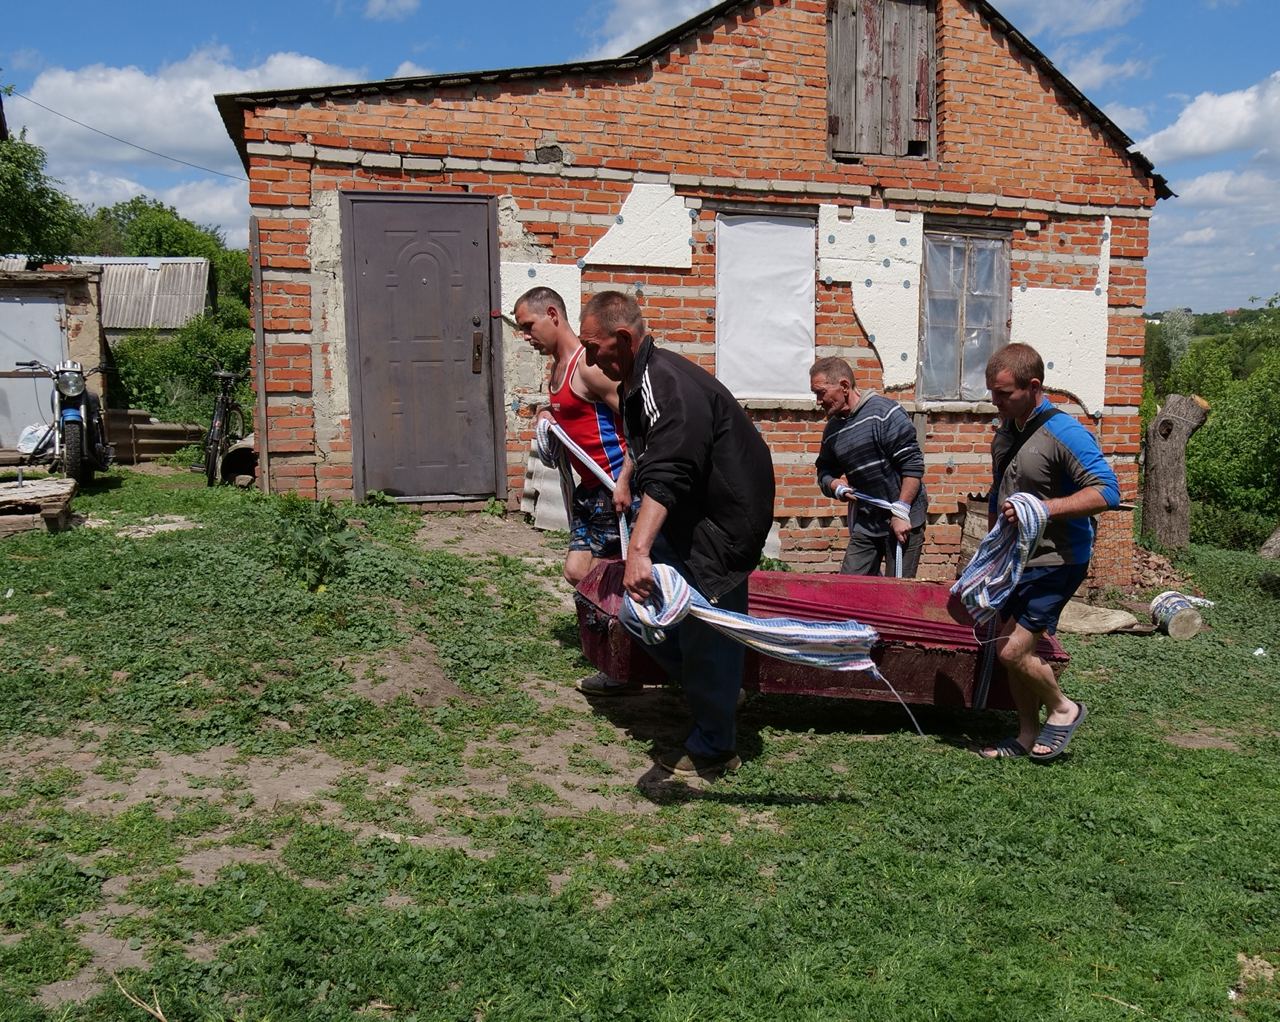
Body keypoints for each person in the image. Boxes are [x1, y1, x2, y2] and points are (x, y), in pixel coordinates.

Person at [578, 291, 775, 779]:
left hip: (722, 524)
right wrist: (626, 479)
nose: (587, 358)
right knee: (639, 610)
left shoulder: (666, 382)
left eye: (592, 346)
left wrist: (640, 549)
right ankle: (719, 691)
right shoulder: (636, 379)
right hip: (688, 514)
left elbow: (671, 470)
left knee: (706, 628)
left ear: (621, 339)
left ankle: (714, 746)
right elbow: (648, 449)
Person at [980, 342, 1119, 761]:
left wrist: (1043, 509)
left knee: (1012, 650)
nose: (995, 401)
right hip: (1016, 558)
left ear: (1034, 386)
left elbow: (1107, 491)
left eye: (1004, 394)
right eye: (992, 392)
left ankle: (1064, 707)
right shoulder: (1009, 428)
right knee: (1011, 650)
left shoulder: (1065, 432)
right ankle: (1025, 736)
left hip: (1057, 560)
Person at [514, 286, 633, 590]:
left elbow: (638, 422)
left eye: (529, 326)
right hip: (589, 492)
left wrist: (626, 481)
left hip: (614, 490)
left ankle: (643, 626)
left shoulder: (589, 367)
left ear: (552, 315)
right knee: (576, 573)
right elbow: (575, 412)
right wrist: (546, 411)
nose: (526, 336)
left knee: (603, 579)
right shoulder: (558, 370)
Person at [810, 357, 928, 577]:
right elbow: (824, 471)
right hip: (867, 522)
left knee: (897, 595)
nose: (818, 401)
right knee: (849, 589)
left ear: (844, 386)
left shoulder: (885, 414)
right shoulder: (833, 430)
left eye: (821, 392)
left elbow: (912, 466)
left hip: (903, 516)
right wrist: (835, 485)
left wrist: (902, 511)